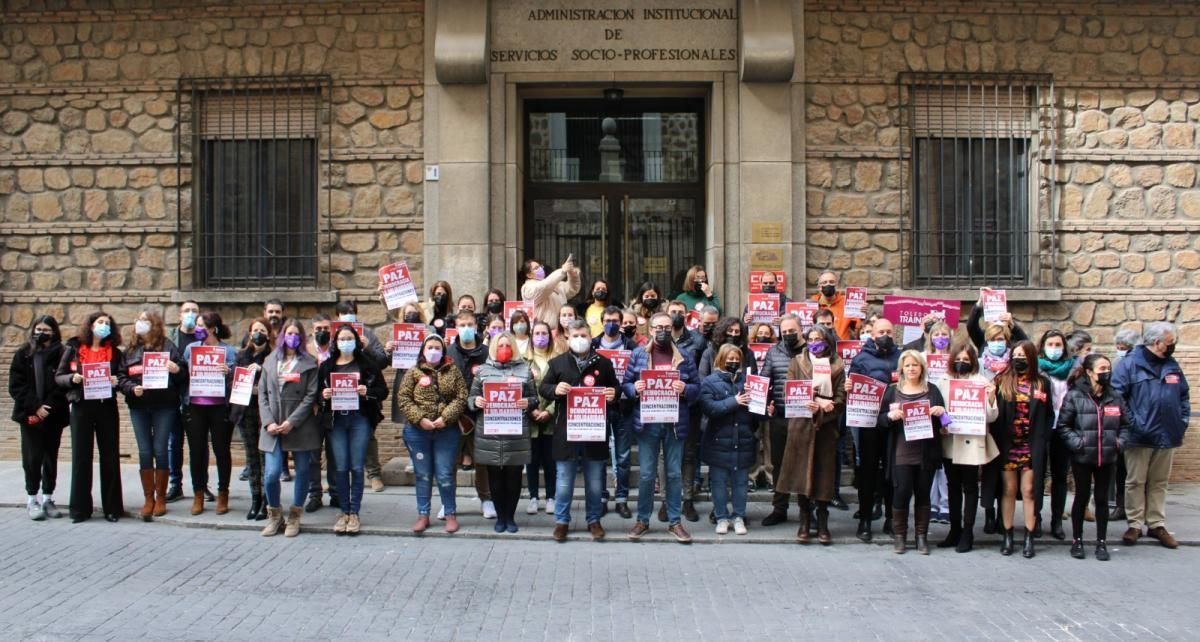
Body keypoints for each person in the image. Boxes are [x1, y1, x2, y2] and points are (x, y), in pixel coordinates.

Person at [624, 312, 701, 544]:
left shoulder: (684, 356)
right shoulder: (638, 355)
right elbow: (624, 385)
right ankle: (643, 520)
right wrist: (633, 388)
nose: (663, 331)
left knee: (674, 474)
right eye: (658, 327)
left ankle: (675, 522)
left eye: (667, 327)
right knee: (647, 474)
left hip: (675, 423)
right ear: (650, 329)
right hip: (648, 423)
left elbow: (698, 388)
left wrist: (685, 389)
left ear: (674, 329)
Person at [1114, 322, 1189, 549]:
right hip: (1139, 435)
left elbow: (1183, 396)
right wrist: (1134, 424)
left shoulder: (1172, 365)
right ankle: (1135, 523)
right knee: (1135, 481)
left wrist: (1181, 421)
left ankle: (1156, 523)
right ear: (1156, 343)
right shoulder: (1129, 364)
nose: (1172, 346)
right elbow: (1118, 397)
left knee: (1159, 481)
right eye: (1170, 343)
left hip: (1168, 434)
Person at [543, 321, 620, 541]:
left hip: (594, 432)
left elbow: (616, 387)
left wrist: (612, 394)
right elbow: (544, 388)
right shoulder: (557, 363)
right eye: (575, 335)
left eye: (583, 334)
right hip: (566, 432)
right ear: (567, 336)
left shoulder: (604, 364)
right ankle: (562, 521)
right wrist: (555, 389)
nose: (579, 339)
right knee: (564, 481)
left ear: (590, 336)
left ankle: (594, 520)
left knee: (595, 482)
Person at [1056, 353, 1132, 561]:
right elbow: (1064, 426)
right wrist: (1077, 444)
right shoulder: (1075, 395)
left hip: (1107, 456)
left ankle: (1101, 542)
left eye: (1108, 368)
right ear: (1089, 372)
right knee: (1081, 497)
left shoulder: (1115, 396)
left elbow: (1126, 425)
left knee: (1101, 500)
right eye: (1102, 369)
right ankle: (1077, 540)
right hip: (1082, 456)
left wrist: (1118, 443)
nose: (1106, 372)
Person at [776, 324, 846, 545]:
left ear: (827, 341)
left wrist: (830, 405)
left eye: (820, 338)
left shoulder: (838, 365)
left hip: (826, 428)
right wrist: (814, 401)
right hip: (801, 427)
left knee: (823, 476)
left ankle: (823, 523)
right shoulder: (797, 362)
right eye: (812, 338)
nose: (815, 342)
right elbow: (789, 388)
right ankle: (805, 521)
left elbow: (842, 397)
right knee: (800, 475)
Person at [318, 325, 388, 536]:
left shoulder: (367, 365)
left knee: (357, 467)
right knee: (340, 466)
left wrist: (368, 391)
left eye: (349, 338)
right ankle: (343, 511)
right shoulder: (327, 366)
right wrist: (324, 395)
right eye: (342, 338)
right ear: (336, 342)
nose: (345, 342)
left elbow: (383, 391)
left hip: (359, 420)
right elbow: (315, 393)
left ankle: (354, 512)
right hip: (337, 421)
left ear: (356, 341)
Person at [56, 311, 124, 523]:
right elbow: (59, 377)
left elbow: (122, 378)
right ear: (90, 325)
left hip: (106, 406)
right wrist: (72, 378)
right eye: (100, 322)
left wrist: (117, 382)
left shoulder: (115, 353)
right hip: (81, 406)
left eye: (107, 323)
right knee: (81, 457)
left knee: (110, 457)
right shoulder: (74, 349)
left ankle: (112, 508)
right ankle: (79, 509)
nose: (104, 325)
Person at [396, 335, 468, 534]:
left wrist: (446, 417)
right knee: (423, 475)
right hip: (418, 432)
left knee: (445, 475)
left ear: (443, 351)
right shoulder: (413, 372)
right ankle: (423, 514)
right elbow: (403, 399)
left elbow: (461, 397)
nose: (434, 350)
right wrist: (420, 419)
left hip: (447, 431)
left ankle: (450, 514)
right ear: (423, 350)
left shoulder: (453, 371)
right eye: (430, 347)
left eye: (438, 347)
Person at [119, 309, 184, 521]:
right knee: (145, 451)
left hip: (164, 405)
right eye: (138, 319)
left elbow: (184, 373)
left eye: (145, 320)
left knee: (161, 449)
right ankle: (149, 498)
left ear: (154, 324)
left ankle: (161, 497)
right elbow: (121, 376)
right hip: (139, 406)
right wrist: (131, 388)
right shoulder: (130, 350)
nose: (141, 323)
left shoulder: (168, 346)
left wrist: (176, 369)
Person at [470, 332, 538, 534]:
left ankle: (510, 517)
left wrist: (529, 402)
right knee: (495, 478)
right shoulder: (482, 371)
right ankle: (500, 518)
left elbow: (534, 398)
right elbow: (471, 396)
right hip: (490, 433)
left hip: (515, 433)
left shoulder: (524, 370)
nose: (504, 349)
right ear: (493, 348)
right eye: (500, 346)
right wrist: (475, 402)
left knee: (514, 477)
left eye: (508, 345)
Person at [879, 350, 946, 554]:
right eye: (907, 365)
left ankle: (921, 537)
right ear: (901, 369)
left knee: (923, 494)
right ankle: (900, 536)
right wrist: (891, 416)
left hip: (925, 452)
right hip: (901, 452)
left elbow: (945, 422)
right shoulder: (892, 391)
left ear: (922, 368)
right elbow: (879, 420)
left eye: (915, 365)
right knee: (901, 492)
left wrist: (941, 412)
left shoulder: (932, 390)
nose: (911, 369)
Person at [258, 320, 320, 538]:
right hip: (273, 425)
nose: (292, 337)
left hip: (299, 426)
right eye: (289, 333)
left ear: (302, 338)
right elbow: (262, 394)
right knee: (272, 474)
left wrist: (292, 421)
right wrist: (268, 422)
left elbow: (311, 396)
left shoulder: (309, 363)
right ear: (282, 335)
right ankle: (275, 515)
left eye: (296, 334)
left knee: (302, 471)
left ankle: (295, 515)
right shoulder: (269, 361)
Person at [935, 340, 999, 553]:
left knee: (970, 487)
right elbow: (938, 408)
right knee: (952, 486)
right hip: (950, 440)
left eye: (966, 360)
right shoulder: (943, 380)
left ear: (973, 362)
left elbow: (991, 416)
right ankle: (954, 529)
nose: (962, 363)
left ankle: (968, 532)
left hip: (971, 442)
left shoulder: (981, 381)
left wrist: (990, 397)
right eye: (959, 359)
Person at [993, 340, 1054, 558]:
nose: (1019, 359)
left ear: (1031, 358)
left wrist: (1043, 438)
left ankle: (1029, 535)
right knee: (1008, 490)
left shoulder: (1042, 383)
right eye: (1015, 355)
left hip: (1031, 445)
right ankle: (1008, 534)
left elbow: (1049, 416)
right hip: (1009, 444)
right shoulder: (1002, 380)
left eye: (1023, 355)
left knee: (1029, 490)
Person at [9, 316, 69, 521]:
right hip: (30, 415)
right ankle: (32, 498)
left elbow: (62, 384)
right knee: (32, 458)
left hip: (53, 416)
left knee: (50, 457)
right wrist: (35, 407)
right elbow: (17, 385)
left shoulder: (62, 354)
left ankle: (48, 497)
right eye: (38, 328)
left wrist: (48, 408)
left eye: (46, 329)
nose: (41, 332)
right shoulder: (23, 354)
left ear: (54, 332)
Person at [848, 318, 901, 541]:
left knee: (892, 473)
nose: (885, 335)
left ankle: (891, 518)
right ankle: (865, 520)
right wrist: (849, 386)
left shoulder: (901, 357)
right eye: (881, 331)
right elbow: (852, 385)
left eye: (889, 331)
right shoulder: (861, 359)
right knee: (868, 472)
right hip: (869, 422)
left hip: (896, 423)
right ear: (872, 334)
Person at [181, 312, 238, 516]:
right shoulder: (190, 349)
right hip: (195, 405)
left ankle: (223, 493)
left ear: (212, 328)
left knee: (221, 451)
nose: (197, 329)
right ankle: (198, 493)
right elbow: (183, 374)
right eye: (196, 325)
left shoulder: (228, 351)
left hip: (219, 406)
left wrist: (228, 372)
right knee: (197, 451)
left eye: (201, 325)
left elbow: (237, 379)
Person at [698, 344, 757, 536]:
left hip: (743, 440)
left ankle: (739, 516)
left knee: (741, 483)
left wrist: (767, 410)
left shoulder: (748, 382)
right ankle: (721, 517)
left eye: (736, 359)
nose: (733, 362)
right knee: (719, 482)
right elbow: (710, 408)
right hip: (718, 442)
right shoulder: (709, 381)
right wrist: (735, 401)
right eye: (729, 358)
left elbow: (758, 413)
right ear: (721, 359)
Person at [334, 300, 389, 495]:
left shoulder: (368, 335)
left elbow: (383, 361)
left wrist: (367, 348)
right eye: (343, 312)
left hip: (364, 397)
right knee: (335, 438)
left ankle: (373, 474)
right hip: (339, 398)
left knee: (368, 437)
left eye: (351, 312)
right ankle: (334, 477)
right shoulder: (333, 336)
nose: (348, 315)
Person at [445, 310, 494, 520]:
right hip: (454, 417)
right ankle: (449, 503)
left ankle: (486, 500)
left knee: (482, 460)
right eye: (462, 324)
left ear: (476, 326)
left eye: (470, 324)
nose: (466, 328)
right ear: (456, 327)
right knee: (450, 462)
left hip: (480, 415)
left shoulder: (486, 352)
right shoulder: (448, 353)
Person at [760, 315, 807, 526]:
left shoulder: (811, 352)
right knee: (778, 464)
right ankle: (780, 509)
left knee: (804, 465)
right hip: (780, 416)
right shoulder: (773, 351)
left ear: (801, 329)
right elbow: (764, 379)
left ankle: (807, 511)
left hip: (805, 417)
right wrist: (767, 402)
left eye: (791, 330)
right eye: (784, 330)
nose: (787, 334)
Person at [594, 306, 639, 517]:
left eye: (615, 320)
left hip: (624, 407)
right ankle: (601, 497)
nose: (611, 324)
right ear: (602, 322)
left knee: (622, 456)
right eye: (607, 320)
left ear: (621, 323)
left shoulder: (631, 346)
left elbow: (637, 374)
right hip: (599, 408)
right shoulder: (593, 344)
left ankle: (621, 499)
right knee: (601, 456)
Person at [232, 318, 273, 520]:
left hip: (263, 412)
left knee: (265, 456)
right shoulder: (241, 356)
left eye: (262, 330)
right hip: (245, 410)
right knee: (251, 458)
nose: (258, 333)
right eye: (255, 330)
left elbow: (275, 384)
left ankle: (267, 500)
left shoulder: (272, 357)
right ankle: (255, 498)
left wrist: (260, 377)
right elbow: (235, 380)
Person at [1037, 329, 1074, 540]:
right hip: (1043, 427)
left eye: (1057, 344)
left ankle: (1057, 520)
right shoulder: (1037, 370)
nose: (1054, 349)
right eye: (1050, 344)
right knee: (1039, 475)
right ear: (1043, 347)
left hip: (1064, 427)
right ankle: (1037, 519)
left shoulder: (1073, 370)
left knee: (1061, 476)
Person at [304, 314, 339, 512]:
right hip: (313, 411)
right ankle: (315, 495)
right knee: (312, 456)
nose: (322, 332)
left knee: (334, 455)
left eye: (326, 328)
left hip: (334, 410)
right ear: (312, 331)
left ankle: (335, 493)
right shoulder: (305, 351)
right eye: (318, 329)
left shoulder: (338, 350)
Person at [166, 299, 200, 502]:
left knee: (198, 445)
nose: (190, 314)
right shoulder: (170, 338)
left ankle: (201, 486)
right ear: (179, 315)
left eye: (194, 311)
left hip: (197, 398)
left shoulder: (204, 338)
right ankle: (175, 484)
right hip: (172, 398)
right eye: (186, 310)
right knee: (174, 443)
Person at [527, 321, 560, 514]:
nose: (541, 336)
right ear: (532, 337)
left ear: (550, 336)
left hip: (551, 420)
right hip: (530, 419)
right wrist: (532, 410)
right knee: (531, 461)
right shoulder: (524, 361)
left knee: (550, 461)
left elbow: (563, 388)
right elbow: (520, 389)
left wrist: (549, 411)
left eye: (544, 333)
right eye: (537, 333)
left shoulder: (558, 360)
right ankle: (533, 497)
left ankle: (550, 497)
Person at [1108, 327, 1141, 520]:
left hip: (1137, 423)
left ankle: (1135, 508)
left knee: (1136, 473)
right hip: (1121, 422)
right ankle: (1121, 505)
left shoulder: (1139, 365)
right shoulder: (1118, 364)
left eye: (1123, 347)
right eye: (1118, 346)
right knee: (1121, 468)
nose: (1120, 350)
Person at [520, 257, 581, 328]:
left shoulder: (553, 283)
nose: (540, 269)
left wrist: (572, 275)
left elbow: (572, 289)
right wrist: (562, 271)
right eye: (536, 268)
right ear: (529, 275)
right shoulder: (527, 288)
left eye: (540, 266)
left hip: (560, 329)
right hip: (543, 330)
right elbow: (543, 287)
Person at [812, 271, 861, 341]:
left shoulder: (847, 303)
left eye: (831, 282)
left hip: (841, 348)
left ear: (837, 285)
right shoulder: (811, 305)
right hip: (818, 346)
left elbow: (858, 331)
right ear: (819, 287)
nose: (828, 284)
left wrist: (862, 315)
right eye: (824, 282)